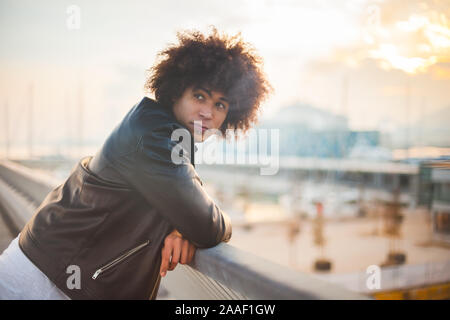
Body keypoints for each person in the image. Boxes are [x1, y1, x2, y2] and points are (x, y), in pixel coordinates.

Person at [0, 27, 271, 300]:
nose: (207, 112)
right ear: (176, 91)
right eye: (199, 96)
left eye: (220, 105)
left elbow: (186, 207)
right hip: (44, 282)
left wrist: (181, 227)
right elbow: (206, 225)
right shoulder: (153, 137)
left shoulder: (160, 131)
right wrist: (204, 224)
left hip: (56, 274)